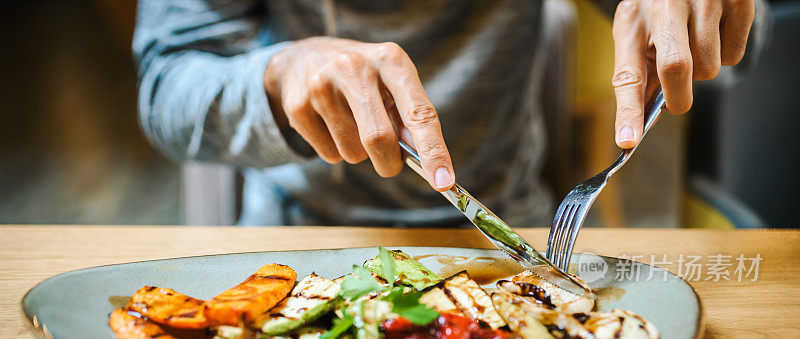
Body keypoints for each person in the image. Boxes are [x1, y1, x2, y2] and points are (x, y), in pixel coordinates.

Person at [134, 0, 754, 227]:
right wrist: (275, 78)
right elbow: (167, 90)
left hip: (515, 233)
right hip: (301, 239)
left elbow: (758, 46)